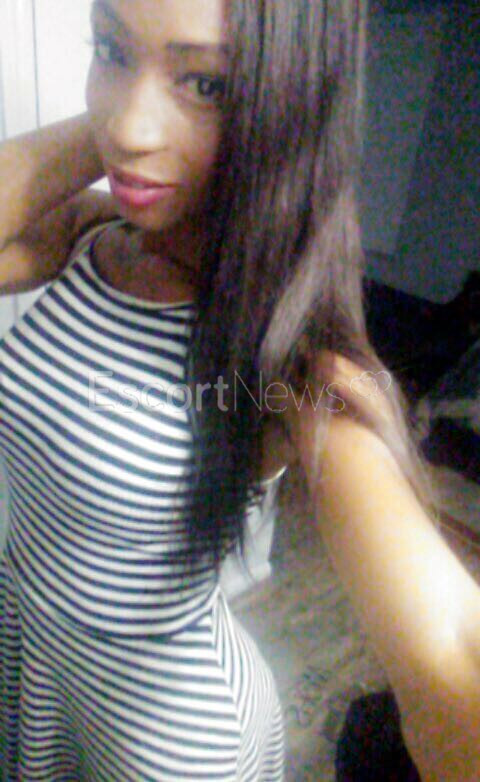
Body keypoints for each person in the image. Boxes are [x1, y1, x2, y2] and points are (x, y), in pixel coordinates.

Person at [0, 0, 479, 779]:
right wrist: (130, 115)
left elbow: (450, 648)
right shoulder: (92, 236)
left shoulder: (292, 357)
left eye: (209, 85)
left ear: (287, 108)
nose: (130, 128)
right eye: (109, 49)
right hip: (38, 654)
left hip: (168, 732)